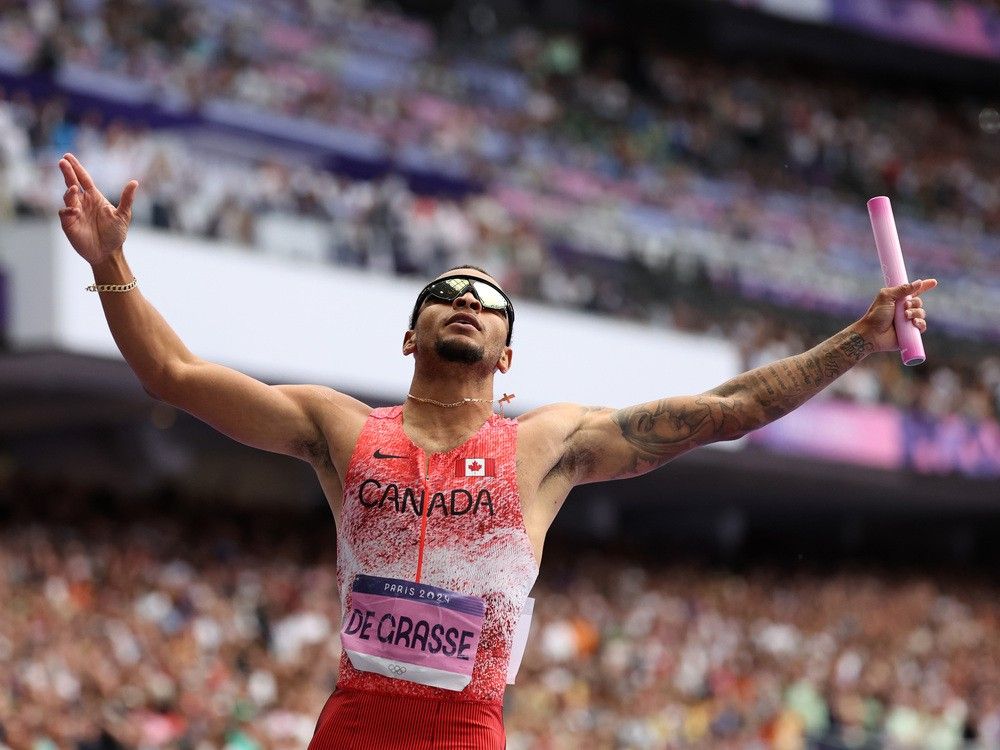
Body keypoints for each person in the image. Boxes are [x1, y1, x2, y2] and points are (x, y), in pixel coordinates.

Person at [57, 152, 935, 749]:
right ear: (411, 336)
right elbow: (172, 372)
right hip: (355, 723)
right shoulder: (342, 429)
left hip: (467, 729)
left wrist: (858, 336)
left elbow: (728, 408)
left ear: (507, 356)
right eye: (447, 293)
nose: (467, 300)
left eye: (487, 299)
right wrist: (110, 264)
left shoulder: (547, 446)